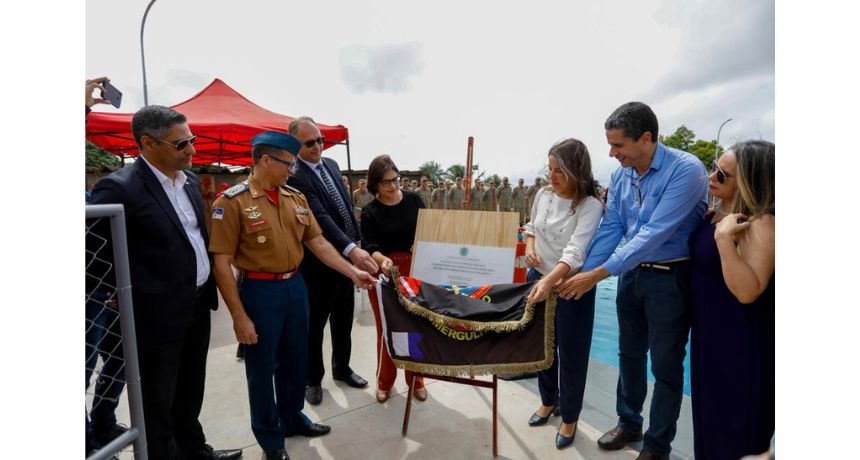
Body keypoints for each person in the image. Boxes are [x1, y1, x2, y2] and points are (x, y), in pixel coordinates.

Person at [209, 131, 376, 460]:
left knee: (295, 359)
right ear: (266, 161)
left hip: (296, 287)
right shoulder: (232, 202)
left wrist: (352, 271)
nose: (293, 170)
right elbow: (221, 263)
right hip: (260, 291)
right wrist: (239, 317)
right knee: (261, 367)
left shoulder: (294, 198)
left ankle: (292, 417)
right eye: (288, 164)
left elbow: (319, 244)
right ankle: (271, 437)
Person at [88, 105, 242, 460]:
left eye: (192, 140)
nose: (191, 150)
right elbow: (93, 255)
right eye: (181, 144)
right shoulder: (119, 188)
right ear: (147, 143)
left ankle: (193, 449)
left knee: (190, 390)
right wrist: (126, 294)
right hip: (155, 316)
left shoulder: (187, 182)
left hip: (197, 304)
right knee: (158, 400)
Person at [557, 102, 707, 460]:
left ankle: (657, 445)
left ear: (646, 138)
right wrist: (584, 273)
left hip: (671, 277)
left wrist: (599, 274)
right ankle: (629, 423)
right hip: (631, 276)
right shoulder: (621, 175)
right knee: (629, 355)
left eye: (618, 146)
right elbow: (613, 228)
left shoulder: (686, 171)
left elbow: (654, 233)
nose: (612, 153)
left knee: (666, 366)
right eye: (610, 145)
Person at [688, 141, 775, 460]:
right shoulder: (716, 212)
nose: (712, 176)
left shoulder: (761, 222)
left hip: (741, 341)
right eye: (715, 168)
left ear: (749, 182)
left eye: (722, 175)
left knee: (736, 434)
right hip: (711, 337)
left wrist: (724, 240)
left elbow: (748, 290)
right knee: (710, 424)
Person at [286, 116, 378, 406]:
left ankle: (342, 368)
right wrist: (351, 249)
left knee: (343, 320)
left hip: (347, 256)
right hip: (318, 265)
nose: (318, 147)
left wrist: (357, 239)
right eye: (310, 143)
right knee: (315, 326)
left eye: (321, 140)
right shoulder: (296, 175)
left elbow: (345, 207)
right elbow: (320, 218)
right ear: (295, 145)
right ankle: (312, 379)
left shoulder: (332, 166)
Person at [523, 139, 604, 450]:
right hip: (538, 277)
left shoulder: (590, 205)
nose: (552, 177)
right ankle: (548, 401)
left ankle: (569, 417)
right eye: (550, 169)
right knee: (542, 348)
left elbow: (576, 251)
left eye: (560, 171)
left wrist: (550, 281)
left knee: (571, 354)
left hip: (570, 287)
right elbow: (531, 227)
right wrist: (530, 250)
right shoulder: (543, 194)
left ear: (577, 171)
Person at [359, 155, 430, 403]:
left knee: (415, 325)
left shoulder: (414, 201)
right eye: (387, 182)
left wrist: (420, 242)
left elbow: (428, 229)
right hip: (385, 271)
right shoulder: (369, 212)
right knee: (386, 329)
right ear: (375, 185)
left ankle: (416, 379)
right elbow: (369, 245)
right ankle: (385, 381)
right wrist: (381, 260)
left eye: (396, 179)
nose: (394, 185)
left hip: (415, 269)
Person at [84, 77, 127, 459]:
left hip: (105, 288)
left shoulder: (89, 194)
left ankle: (103, 422)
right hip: (86, 293)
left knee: (119, 360)